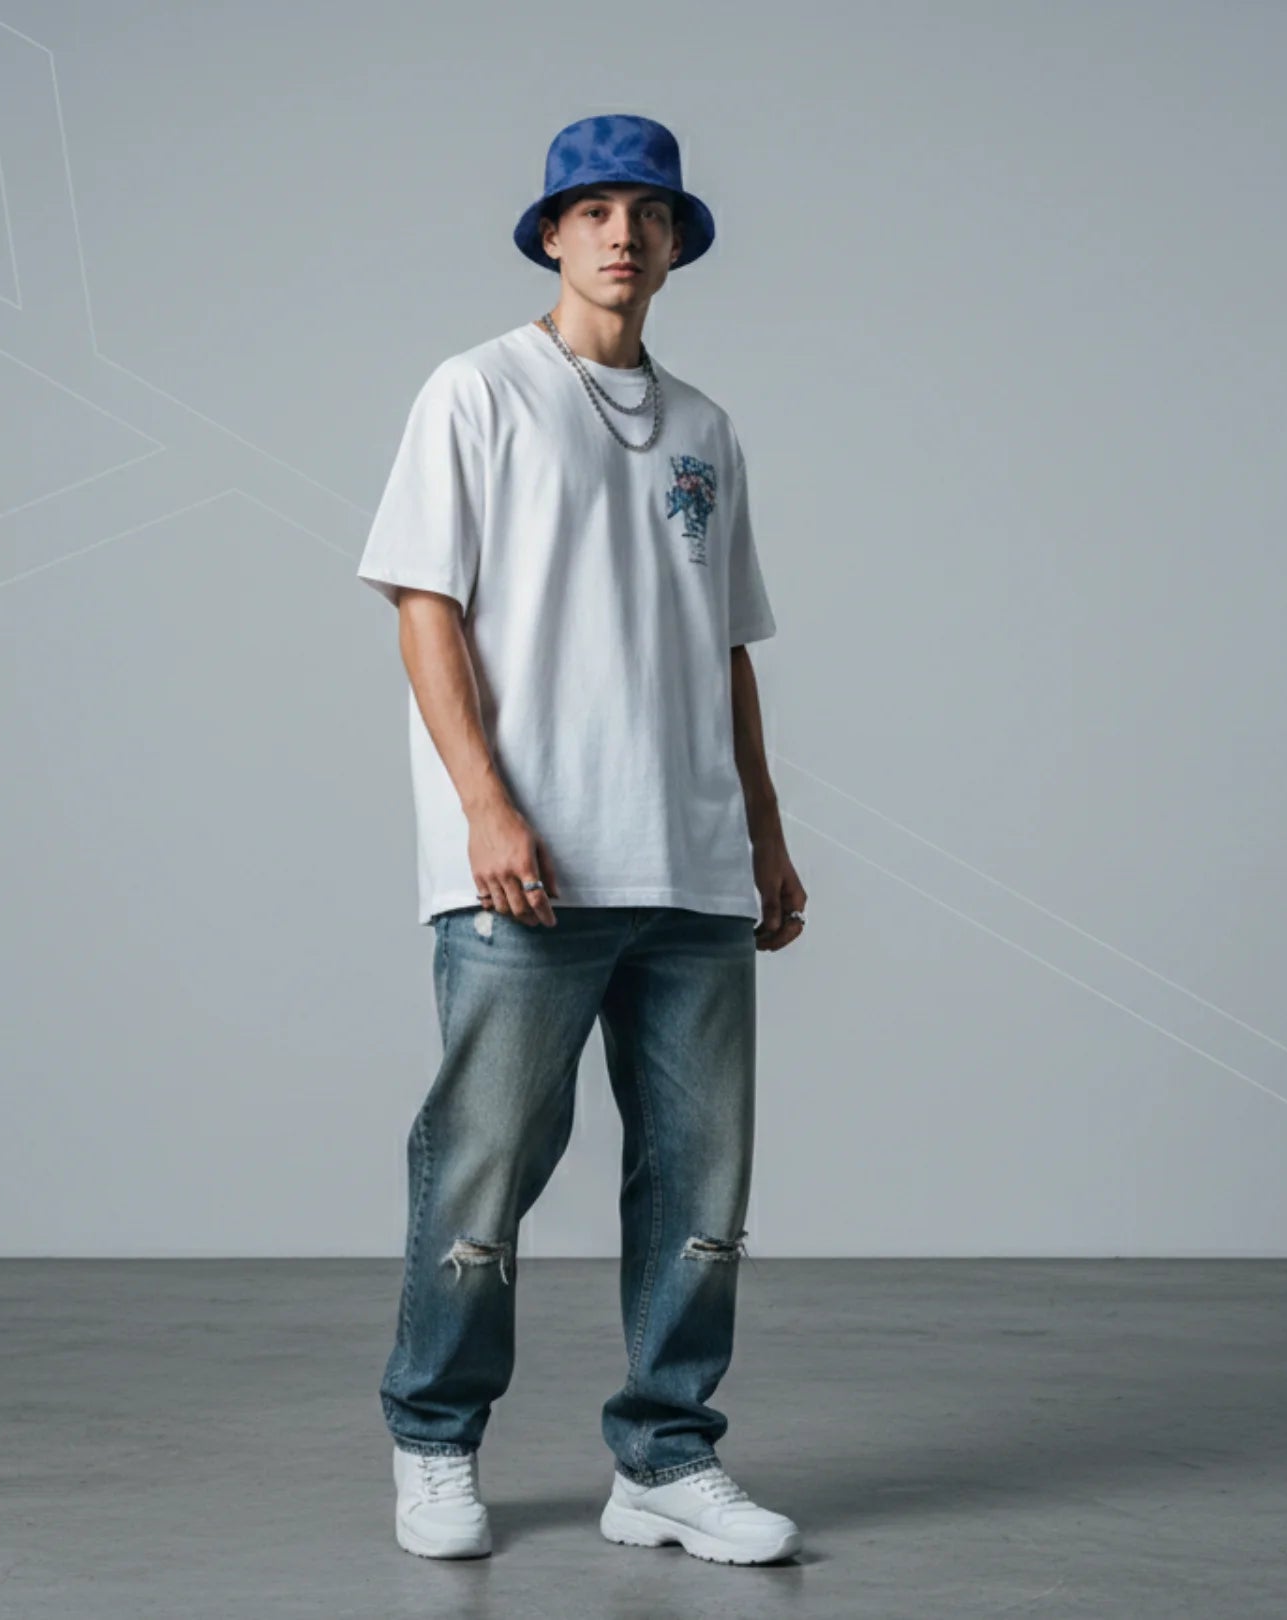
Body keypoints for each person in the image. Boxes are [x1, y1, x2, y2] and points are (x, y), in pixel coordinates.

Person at [355, 114, 808, 1566]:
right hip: (528, 863)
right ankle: (435, 1440)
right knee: (482, 1165)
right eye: (596, 210)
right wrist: (486, 804)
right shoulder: (477, 391)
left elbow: (727, 648)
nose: (624, 234)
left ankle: (667, 1459)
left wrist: (766, 835)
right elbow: (423, 603)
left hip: (695, 863)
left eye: (649, 213)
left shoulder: (705, 430)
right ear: (551, 233)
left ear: (677, 243)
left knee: (701, 1185)